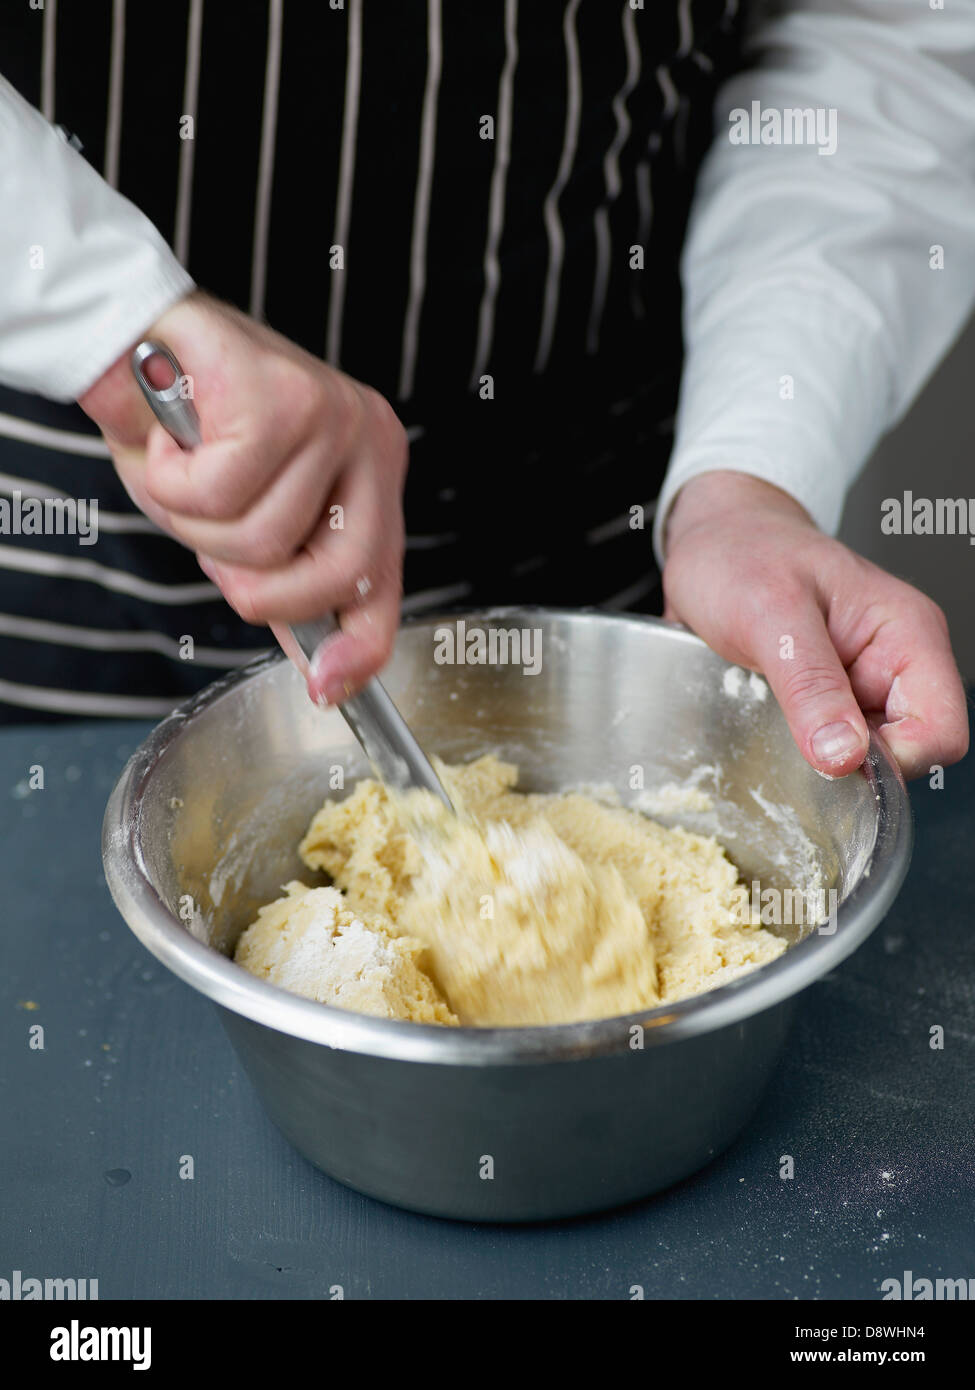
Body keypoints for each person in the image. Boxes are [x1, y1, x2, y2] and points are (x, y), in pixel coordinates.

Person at [0, 0, 969, 781]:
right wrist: (100, 308)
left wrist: (748, 478)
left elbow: (879, 42)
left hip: (608, 540)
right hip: (61, 556)